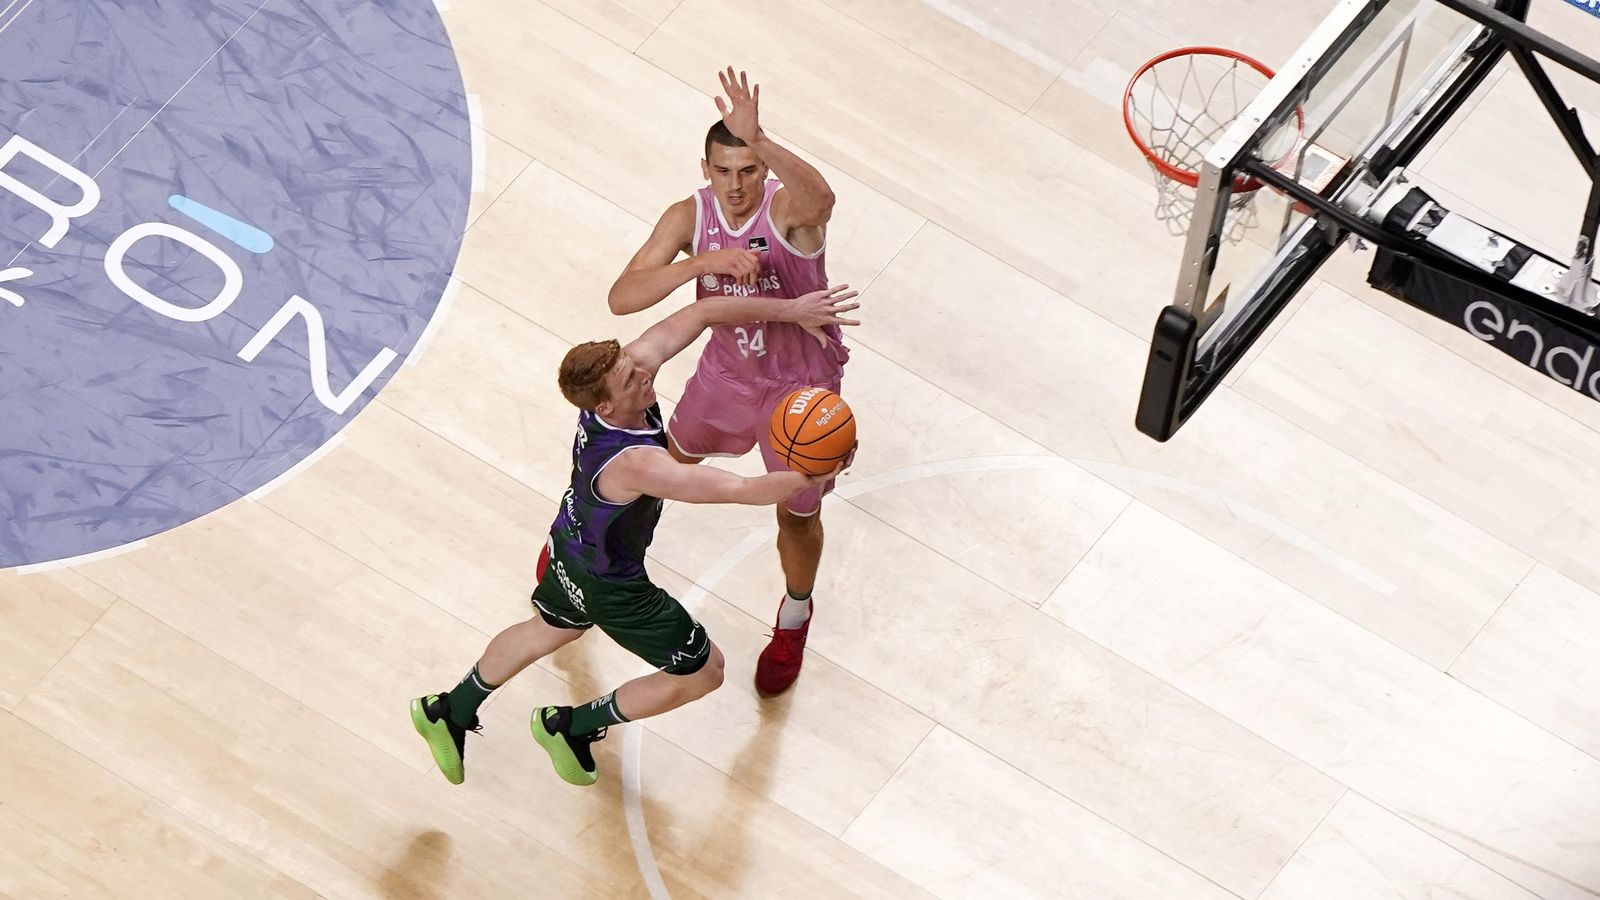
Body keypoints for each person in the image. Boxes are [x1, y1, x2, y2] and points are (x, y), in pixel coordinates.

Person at [411, 285, 859, 786]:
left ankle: (448, 709)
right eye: (630, 380)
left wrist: (791, 311)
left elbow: (706, 310)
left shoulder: (622, 378)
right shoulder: (638, 464)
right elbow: (740, 488)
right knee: (703, 671)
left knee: (550, 628)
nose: (645, 374)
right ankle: (571, 727)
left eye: (633, 363)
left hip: (571, 545)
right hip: (615, 586)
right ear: (605, 405)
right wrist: (817, 473)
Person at [608, 68, 845, 695]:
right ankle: (594, 551)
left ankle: (793, 619)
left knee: (795, 517)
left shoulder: (787, 208)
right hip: (726, 373)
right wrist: (705, 262)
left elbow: (822, 200)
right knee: (659, 467)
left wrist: (759, 137)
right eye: (724, 170)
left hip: (798, 388)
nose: (735, 186)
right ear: (706, 168)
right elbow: (623, 296)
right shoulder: (689, 215)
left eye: (747, 170)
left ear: (762, 173)